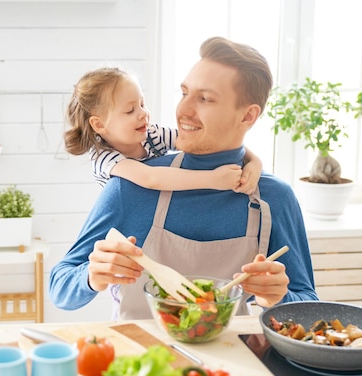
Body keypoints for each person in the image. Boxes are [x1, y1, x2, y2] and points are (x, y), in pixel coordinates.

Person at [49, 37, 318, 319]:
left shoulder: (274, 197)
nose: (183, 111)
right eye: (184, 93)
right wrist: (92, 275)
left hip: (232, 359)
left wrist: (276, 297)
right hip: (140, 361)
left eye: (204, 99)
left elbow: (309, 306)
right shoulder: (130, 187)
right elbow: (60, 289)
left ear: (248, 116)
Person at [64, 67, 262, 194]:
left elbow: (201, 140)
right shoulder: (104, 158)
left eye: (142, 104)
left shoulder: (152, 134)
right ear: (99, 125)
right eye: (130, 110)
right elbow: (151, 179)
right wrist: (213, 180)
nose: (143, 114)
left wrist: (254, 161)